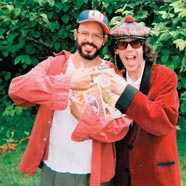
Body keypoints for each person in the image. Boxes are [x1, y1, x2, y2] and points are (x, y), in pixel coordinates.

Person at [8, 10, 132, 186]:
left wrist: (84, 118)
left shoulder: (111, 75)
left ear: (104, 40)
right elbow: (17, 89)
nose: (90, 40)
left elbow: (120, 128)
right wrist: (67, 82)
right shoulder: (56, 65)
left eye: (97, 35)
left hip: (94, 171)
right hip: (56, 166)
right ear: (75, 34)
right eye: (85, 33)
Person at [106, 16, 180, 185]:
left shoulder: (165, 77)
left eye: (135, 43)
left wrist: (126, 92)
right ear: (116, 50)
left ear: (143, 47)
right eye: (122, 44)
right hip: (122, 175)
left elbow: (164, 121)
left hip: (155, 174)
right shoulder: (113, 80)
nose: (129, 49)